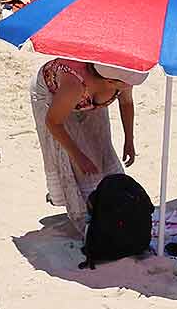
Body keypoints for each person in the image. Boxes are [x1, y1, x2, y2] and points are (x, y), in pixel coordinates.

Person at [30, 59, 141, 234]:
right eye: (126, 85)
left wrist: (129, 140)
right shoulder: (74, 84)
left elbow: (126, 103)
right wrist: (78, 156)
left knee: (100, 146)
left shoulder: (121, 74)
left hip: (87, 99)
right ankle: (73, 202)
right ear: (109, 82)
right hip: (53, 95)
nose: (130, 87)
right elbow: (53, 123)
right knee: (67, 155)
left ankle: (101, 202)